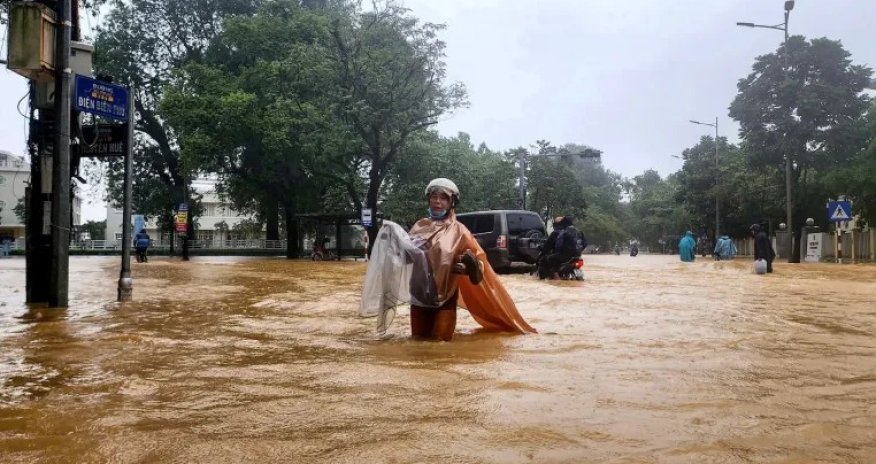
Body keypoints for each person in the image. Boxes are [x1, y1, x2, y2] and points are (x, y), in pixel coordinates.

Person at [360, 178, 536, 341]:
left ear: (452, 202)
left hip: (445, 297)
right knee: (418, 345)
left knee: (440, 344)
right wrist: (393, 245)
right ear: (428, 200)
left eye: (443, 198)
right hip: (418, 296)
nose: (437, 202)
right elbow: (407, 259)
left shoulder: (460, 231)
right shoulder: (419, 226)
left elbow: (480, 266)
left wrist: (468, 267)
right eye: (434, 197)